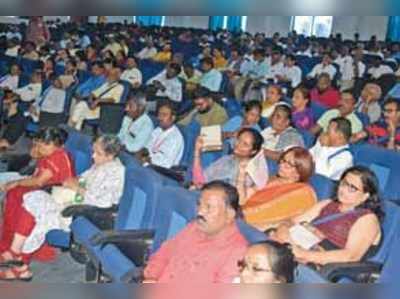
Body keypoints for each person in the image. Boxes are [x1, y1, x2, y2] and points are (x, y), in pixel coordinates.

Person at [21, 135, 125, 261]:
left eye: (98, 153)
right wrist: (74, 182)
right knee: (33, 197)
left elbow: (103, 203)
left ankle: (21, 256)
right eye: (93, 152)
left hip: (85, 213)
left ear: (110, 155)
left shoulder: (117, 173)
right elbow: (83, 178)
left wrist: (78, 189)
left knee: (45, 216)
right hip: (73, 200)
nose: (93, 156)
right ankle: (21, 247)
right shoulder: (100, 164)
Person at [0, 127, 75, 281]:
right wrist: (37, 150)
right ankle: (9, 247)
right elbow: (35, 157)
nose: (40, 148)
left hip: (52, 195)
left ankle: (17, 255)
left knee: (18, 195)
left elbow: (40, 181)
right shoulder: (49, 152)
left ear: (56, 145)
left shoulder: (58, 156)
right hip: (41, 188)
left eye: (43, 145)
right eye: (38, 144)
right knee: (13, 194)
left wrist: (17, 182)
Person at [272, 166, 382, 266]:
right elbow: (291, 222)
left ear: (365, 196)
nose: (343, 190)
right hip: (300, 244)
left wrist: (303, 254)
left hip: (321, 261)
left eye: (352, 188)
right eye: (343, 183)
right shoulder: (327, 204)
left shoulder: (367, 219)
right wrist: (284, 232)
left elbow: (350, 255)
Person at [143, 181, 248, 283]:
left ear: (229, 215)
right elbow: (163, 254)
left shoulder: (238, 252)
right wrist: (151, 278)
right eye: (199, 204)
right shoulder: (194, 227)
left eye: (208, 207)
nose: (200, 212)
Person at [242, 147, 317, 231]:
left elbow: (267, 213)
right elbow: (247, 195)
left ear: (299, 171)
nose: (281, 165)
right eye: (282, 160)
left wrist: (237, 215)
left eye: (288, 164)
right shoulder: (274, 179)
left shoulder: (303, 192)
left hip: (253, 224)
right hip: (242, 213)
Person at [193, 128, 264, 203]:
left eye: (245, 144)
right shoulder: (226, 159)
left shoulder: (251, 172)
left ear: (253, 151)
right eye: (239, 140)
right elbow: (199, 182)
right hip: (200, 194)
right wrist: (197, 151)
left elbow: (237, 201)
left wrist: (242, 173)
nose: (238, 144)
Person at [139, 102, 184, 169]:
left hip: (159, 172)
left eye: (164, 115)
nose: (160, 118)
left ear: (173, 118)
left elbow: (165, 163)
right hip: (146, 164)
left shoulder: (175, 137)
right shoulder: (158, 130)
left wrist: (146, 158)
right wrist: (140, 153)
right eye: (159, 114)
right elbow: (146, 147)